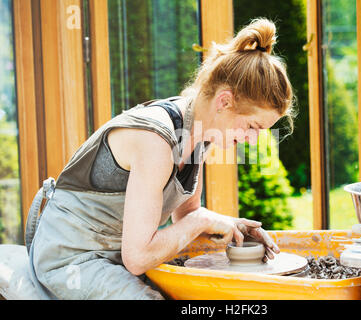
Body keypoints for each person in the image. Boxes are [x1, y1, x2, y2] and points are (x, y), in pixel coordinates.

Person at [26, 18, 296, 300]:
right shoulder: (156, 139)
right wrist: (203, 220)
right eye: (252, 127)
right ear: (224, 101)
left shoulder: (198, 134)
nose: (253, 140)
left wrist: (233, 228)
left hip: (116, 256)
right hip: (71, 259)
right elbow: (139, 257)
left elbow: (188, 215)